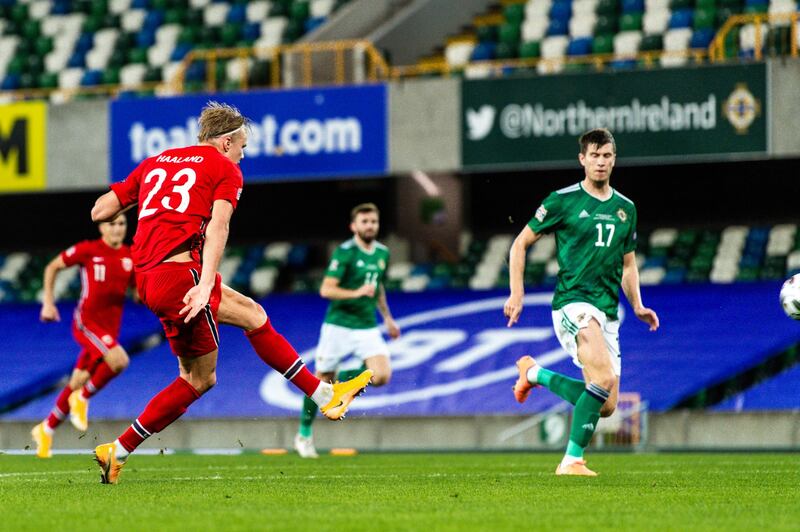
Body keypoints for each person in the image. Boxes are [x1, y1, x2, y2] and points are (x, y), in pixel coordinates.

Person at [89, 101, 372, 484]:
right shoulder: (225, 168)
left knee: (253, 314)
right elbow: (219, 226)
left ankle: (325, 395)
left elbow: (100, 211)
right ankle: (119, 449)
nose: (243, 153)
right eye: (241, 145)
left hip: (151, 278)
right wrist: (205, 284)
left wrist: (147, 196)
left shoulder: (157, 160)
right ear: (224, 142)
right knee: (199, 380)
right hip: (182, 277)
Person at [503, 128, 659, 477]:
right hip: (573, 304)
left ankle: (533, 372)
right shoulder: (562, 200)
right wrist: (517, 291)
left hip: (607, 310)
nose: (601, 162)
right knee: (601, 378)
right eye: (595, 155)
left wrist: (637, 304)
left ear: (614, 159)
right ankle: (571, 461)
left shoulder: (626, 209)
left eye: (607, 156)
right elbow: (519, 244)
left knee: (606, 405)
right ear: (582, 159)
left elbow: (628, 264)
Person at [294, 203, 400, 458]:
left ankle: (345, 378)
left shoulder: (382, 253)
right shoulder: (345, 252)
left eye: (373, 221)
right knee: (319, 383)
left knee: (382, 375)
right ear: (354, 226)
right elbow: (326, 289)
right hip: (338, 326)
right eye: (365, 222)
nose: (370, 226)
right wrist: (356, 293)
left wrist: (388, 318)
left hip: (366, 325)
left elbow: (378, 287)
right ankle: (304, 435)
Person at [30, 214, 134, 458]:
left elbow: (137, 291)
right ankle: (83, 397)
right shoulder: (88, 250)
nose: (117, 229)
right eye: (112, 224)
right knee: (119, 361)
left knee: (77, 380)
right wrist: (48, 302)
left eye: (122, 224)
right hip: (87, 323)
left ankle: (46, 429)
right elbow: (52, 266)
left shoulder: (131, 256)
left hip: (109, 329)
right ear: (101, 227)